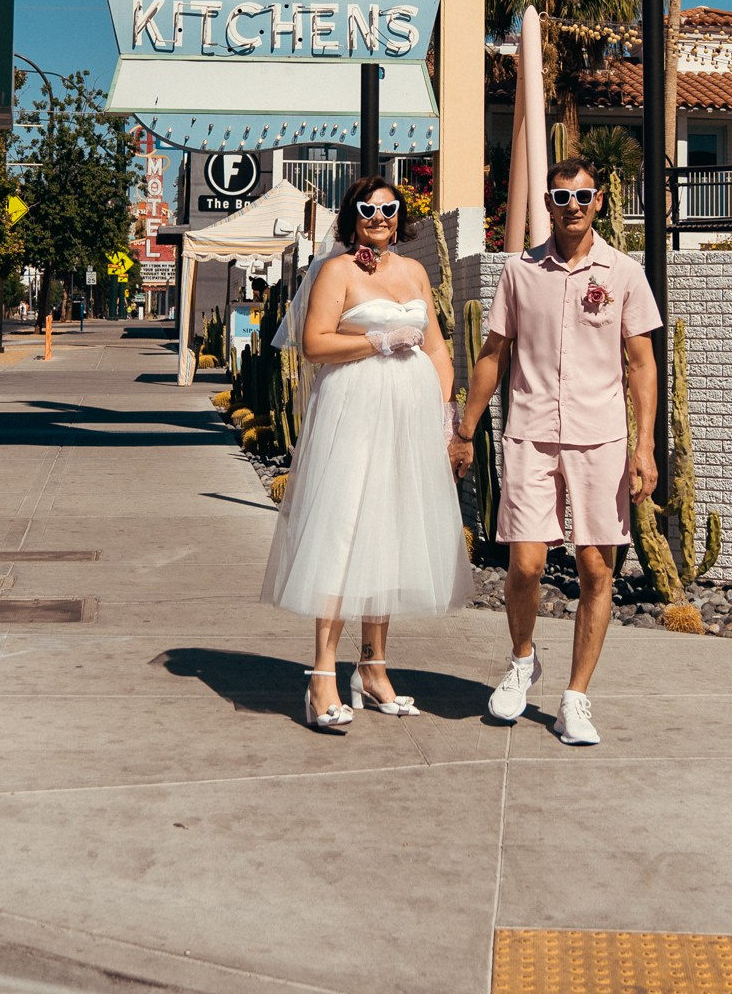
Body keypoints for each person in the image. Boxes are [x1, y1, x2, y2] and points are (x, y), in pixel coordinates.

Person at [451, 152, 659, 747]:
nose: (573, 207)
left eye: (583, 196)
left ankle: (576, 698)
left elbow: (642, 364)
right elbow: (493, 354)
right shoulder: (518, 272)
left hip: (600, 437)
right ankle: (523, 659)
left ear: (599, 202)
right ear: (547, 204)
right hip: (531, 432)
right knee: (526, 564)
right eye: (562, 197)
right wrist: (464, 431)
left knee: (596, 567)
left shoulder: (624, 273)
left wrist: (645, 446)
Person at [261, 174, 469, 731]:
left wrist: (445, 416)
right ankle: (322, 676)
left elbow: (437, 348)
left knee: (389, 533)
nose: (380, 217)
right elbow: (314, 343)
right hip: (354, 415)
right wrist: (377, 341)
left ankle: (374, 668)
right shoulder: (337, 271)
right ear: (353, 216)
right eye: (369, 209)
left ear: (400, 218)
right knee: (343, 532)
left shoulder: (415, 272)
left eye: (389, 209)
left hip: (409, 421)